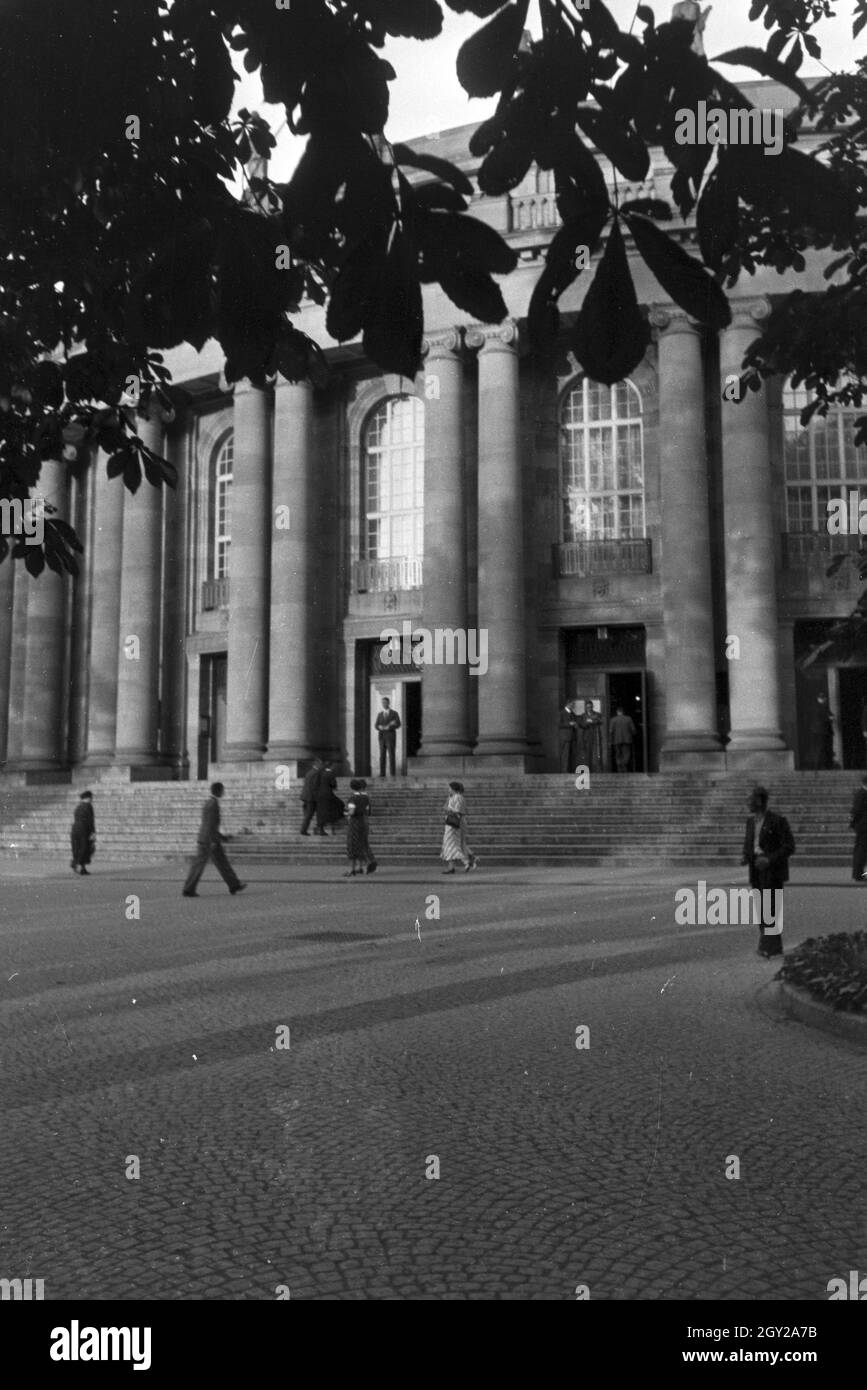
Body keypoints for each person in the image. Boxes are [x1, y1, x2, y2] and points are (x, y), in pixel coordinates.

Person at [741, 786, 794, 959]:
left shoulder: (778, 821)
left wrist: (769, 859)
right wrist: (745, 856)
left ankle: (768, 947)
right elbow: (749, 842)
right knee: (760, 907)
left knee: (770, 908)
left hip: (772, 869)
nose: (748, 803)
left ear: (760, 801)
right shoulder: (750, 822)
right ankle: (772, 946)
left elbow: (789, 846)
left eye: (751, 800)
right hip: (755, 868)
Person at [182, 782, 247, 897]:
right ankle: (233, 884)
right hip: (210, 840)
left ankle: (234, 884)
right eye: (223, 790)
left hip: (206, 838)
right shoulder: (213, 804)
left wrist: (223, 837)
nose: (223, 792)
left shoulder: (208, 803)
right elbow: (211, 824)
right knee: (218, 863)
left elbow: (209, 824)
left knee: (208, 863)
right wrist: (213, 840)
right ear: (218, 791)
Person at [441, 780, 478, 874]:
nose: (448, 790)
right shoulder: (453, 797)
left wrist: (448, 809)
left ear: (453, 789)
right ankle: (468, 860)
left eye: (449, 788)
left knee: (454, 844)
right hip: (454, 822)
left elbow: (458, 811)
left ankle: (468, 860)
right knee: (460, 843)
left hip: (456, 822)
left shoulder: (458, 797)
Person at [345, 778, 376, 876]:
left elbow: (352, 812)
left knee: (352, 844)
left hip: (355, 823)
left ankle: (352, 869)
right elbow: (368, 810)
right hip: (364, 822)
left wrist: (345, 813)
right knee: (362, 843)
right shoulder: (366, 797)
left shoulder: (352, 798)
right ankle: (360, 867)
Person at [70, 790, 96, 875]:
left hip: (75, 828)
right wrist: (93, 832)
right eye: (91, 797)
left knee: (78, 847)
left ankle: (81, 867)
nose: (92, 799)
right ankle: (76, 863)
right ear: (88, 798)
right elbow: (90, 820)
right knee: (85, 848)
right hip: (84, 829)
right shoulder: (88, 806)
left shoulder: (78, 807)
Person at [315, 761, 344, 835]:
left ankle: (321, 829)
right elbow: (333, 784)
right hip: (328, 794)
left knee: (321, 811)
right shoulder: (330, 773)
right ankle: (334, 822)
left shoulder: (320, 773)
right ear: (331, 766)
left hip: (319, 795)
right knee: (340, 804)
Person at [375, 697, 401, 777]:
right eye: (382, 703)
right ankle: (382, 773)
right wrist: (379, 727)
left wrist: (389, 727)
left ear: (388, 703)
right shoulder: (380, 714)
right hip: (382, 737)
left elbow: (398, 724)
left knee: (391, 754)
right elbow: (376, 725)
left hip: (390, 737)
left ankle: (392, 773)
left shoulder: (394, 713)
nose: (383, 704)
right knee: (382, 755)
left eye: (385, 702)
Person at [576, 700, 603, 773]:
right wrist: (587, 722)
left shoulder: (597, 714)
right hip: (587, 736)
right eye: (587, 707)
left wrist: (591, 721)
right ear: (585, 707)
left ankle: (598, 770)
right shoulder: (583, 715)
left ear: (592, 707)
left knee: (597, 753)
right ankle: (588, 769)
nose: (589, 708)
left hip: (596, 735)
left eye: (590, 707)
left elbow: (600, 721)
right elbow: (581, 724)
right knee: (587, 753)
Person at [609, 705, 637, 773]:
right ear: (623, 712)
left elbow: (611, 731)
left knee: (618, 754)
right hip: (627, 739)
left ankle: (619, 766)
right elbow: (633, 729)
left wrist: (610, 740)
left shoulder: (613, 720)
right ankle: (624, 764)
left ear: (617, 712)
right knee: (626, 753)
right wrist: (634, 734)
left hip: (616, 740)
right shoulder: (628, 719)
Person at [850, 774, 867, 881]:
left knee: (861, 850)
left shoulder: (862, 793)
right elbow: (857, 811)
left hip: (862, 826)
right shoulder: (863, 794)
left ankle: (858, 874)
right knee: (861, 851)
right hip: (864, 827)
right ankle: (858, 874)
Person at [299, 758, 323, 835]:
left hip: (306, 796)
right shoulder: (317, 773)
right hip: (312, 797)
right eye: (321, 764)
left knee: (308, 814)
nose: (321, 766)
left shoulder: (309, 772)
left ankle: (317, 829)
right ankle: (304, 830)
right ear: (316, 764)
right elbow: (315, 786)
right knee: (309, 815)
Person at [558, 701, 579, 773]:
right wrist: (569, 724)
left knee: (571, 755)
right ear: (568, 704)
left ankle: (570, 770)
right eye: (572, 704)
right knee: (565, 754)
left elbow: (575, 722)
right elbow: (559, 724)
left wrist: (575, 725)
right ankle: (564, 770)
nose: (573, 706)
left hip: (572, 737)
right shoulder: (562, 713)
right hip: (565, 737)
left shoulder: (572, 714)